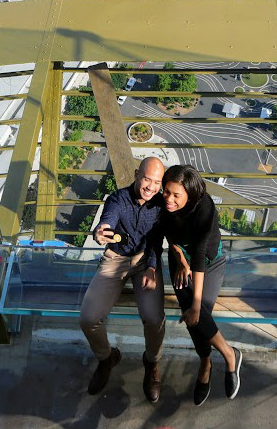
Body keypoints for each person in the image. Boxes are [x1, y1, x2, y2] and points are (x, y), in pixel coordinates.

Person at [79, 156, 166, 402]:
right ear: (137, 174)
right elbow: (108, 219)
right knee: (88, 318)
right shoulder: (118, 198)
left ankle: (151, 363)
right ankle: (107, 358)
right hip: (115, 259)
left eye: (156, 182)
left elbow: (156, 243)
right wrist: (101, 231)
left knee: (153, 317)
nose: (150, 186)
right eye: (147, 179)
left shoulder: (160, 206)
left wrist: (150, 268)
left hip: (144, 260)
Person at [154, 164, 242, 406]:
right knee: (195, 315)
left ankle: (209, 362)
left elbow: (201, 255)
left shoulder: (204, 207)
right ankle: (225, 355)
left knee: (198, 312)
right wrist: (181, 260)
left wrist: (194, 304)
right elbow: (166, 235)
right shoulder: (163, 203)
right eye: (166, 192)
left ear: (190, 196)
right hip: (180, 261)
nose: (168, 199)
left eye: (175, 195)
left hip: (209, 262)